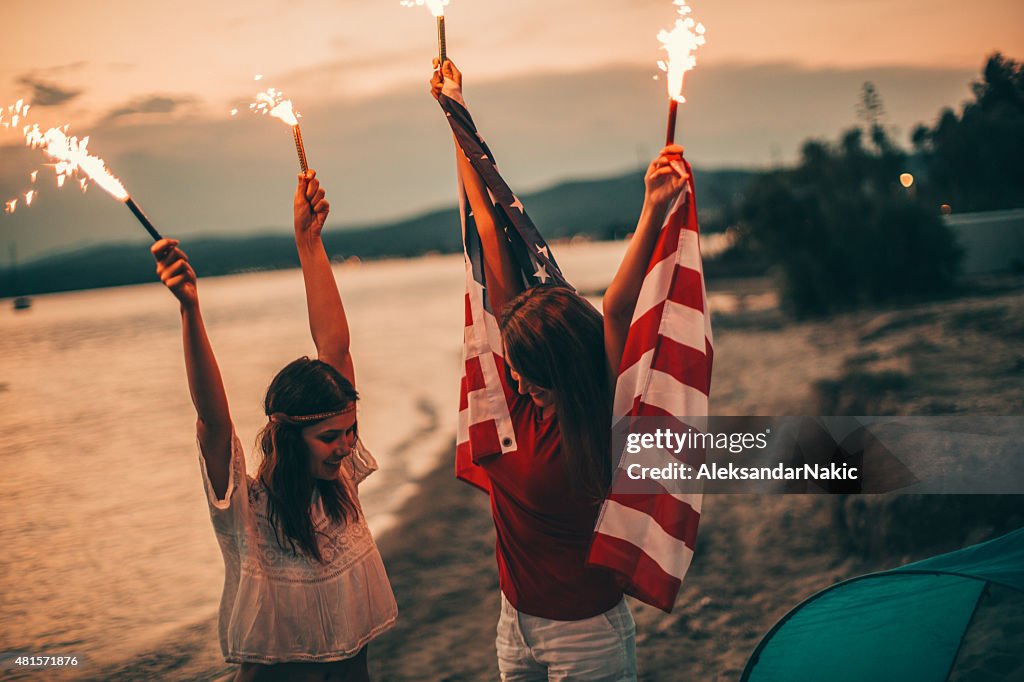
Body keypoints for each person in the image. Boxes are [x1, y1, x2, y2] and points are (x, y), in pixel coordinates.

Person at [430, 59, 689, 681]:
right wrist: (454, 113)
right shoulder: (511, 402)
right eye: (516, 372)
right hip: (512, 622)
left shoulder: (600, 410)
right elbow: (489, 229)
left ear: (563, 367)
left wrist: (652, 210)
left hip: (588, 635)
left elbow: (619, 307)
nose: (517, 383)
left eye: (529, 375)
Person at [151, 170, 397, 681]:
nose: (345, 446)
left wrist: (308, 243)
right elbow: (213, 424)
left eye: (349, 430)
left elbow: (336, 350)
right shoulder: (248, 511)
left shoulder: (341, 482)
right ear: (289, 435)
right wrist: (189, 310)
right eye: (329, 437)